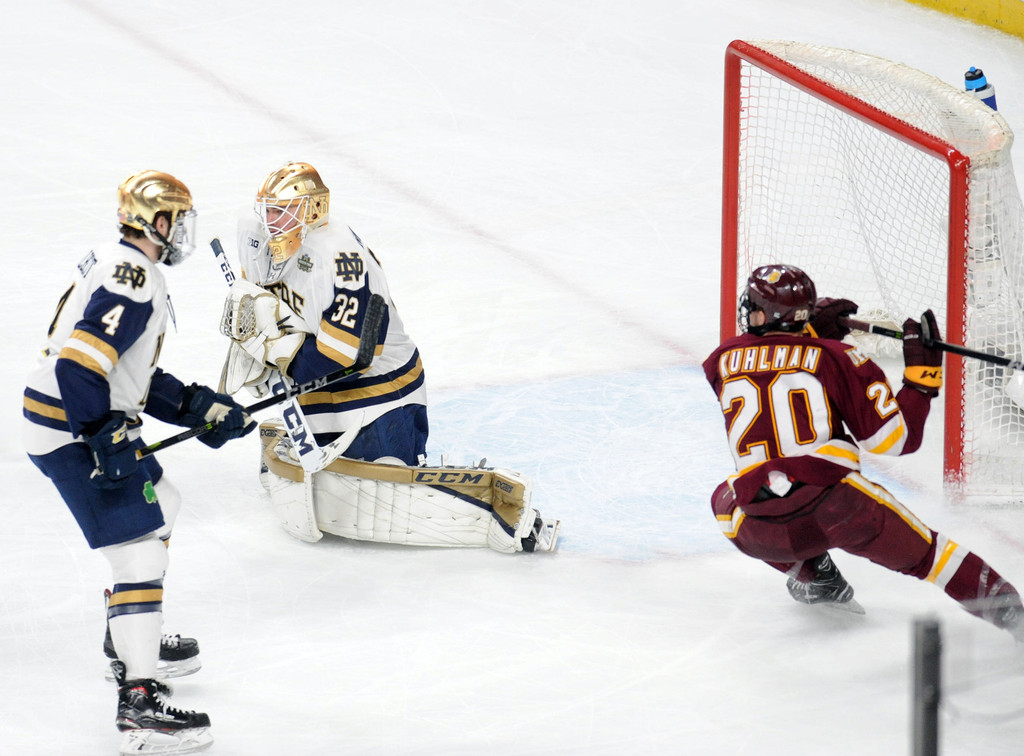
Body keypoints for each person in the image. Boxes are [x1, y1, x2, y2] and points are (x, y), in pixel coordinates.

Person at [23, 170, 255, 753]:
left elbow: (128, 376)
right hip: (71, 428)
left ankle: (123, 639)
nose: (183, 232)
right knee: (140, 554)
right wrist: (103, 438)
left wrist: (198, 407)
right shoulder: (135, 278)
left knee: (165, 504)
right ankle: (140, 706)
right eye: (178, 219)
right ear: (157, 222)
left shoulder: (120, 263)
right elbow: (80, 366)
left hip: (71, 419)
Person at [221, 161, 557, 552]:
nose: (271, 221)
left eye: (282, 211)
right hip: (316, 384)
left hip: (380, 387)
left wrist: (276, 351)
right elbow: (257, 299)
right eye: (269, 210)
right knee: (337, 485)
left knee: (385, 482)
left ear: (312, 210)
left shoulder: (340, 260)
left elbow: (347, 359)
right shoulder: (256, 234)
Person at [702, 263, 1024, 640]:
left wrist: (808, 334)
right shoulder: (838, 357)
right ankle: (1014, 618)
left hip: (759, 527)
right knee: (930, 557)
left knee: (724, 499)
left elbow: (770, 365)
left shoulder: (719, 360)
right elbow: (894, 441)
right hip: (839, 505)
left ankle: (814, 576)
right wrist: (920, 382)